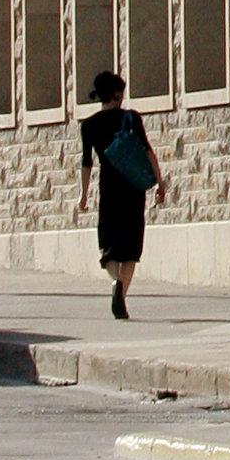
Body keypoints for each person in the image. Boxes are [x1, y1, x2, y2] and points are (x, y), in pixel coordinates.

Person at [76, 69, 163, 319]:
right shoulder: (132, 118)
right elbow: (148, 152)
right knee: (131, 246)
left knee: (109, 245)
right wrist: (160, 182)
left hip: (109, 187)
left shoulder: (89, 125)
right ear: (116, 94)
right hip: (133, 187)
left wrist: (83, 196)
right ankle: (121, 294)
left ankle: (115, 282)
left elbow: (86, 163)